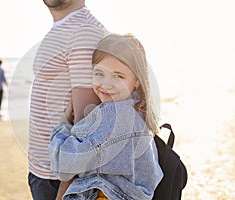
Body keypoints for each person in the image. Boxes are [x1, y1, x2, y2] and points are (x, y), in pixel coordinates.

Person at [49, 33, 163, 199]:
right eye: (99, 73)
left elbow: (64, 165)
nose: (106, 84)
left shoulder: (114, 117)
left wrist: (63, 125)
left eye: (118, 76)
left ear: (137, 80)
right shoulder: (136, 110)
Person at [28, 0, 107, 199]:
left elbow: (88, 122)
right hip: (44, 171)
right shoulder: (65, 28)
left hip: (59, 180)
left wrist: (66, 187)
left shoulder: (83, 32)